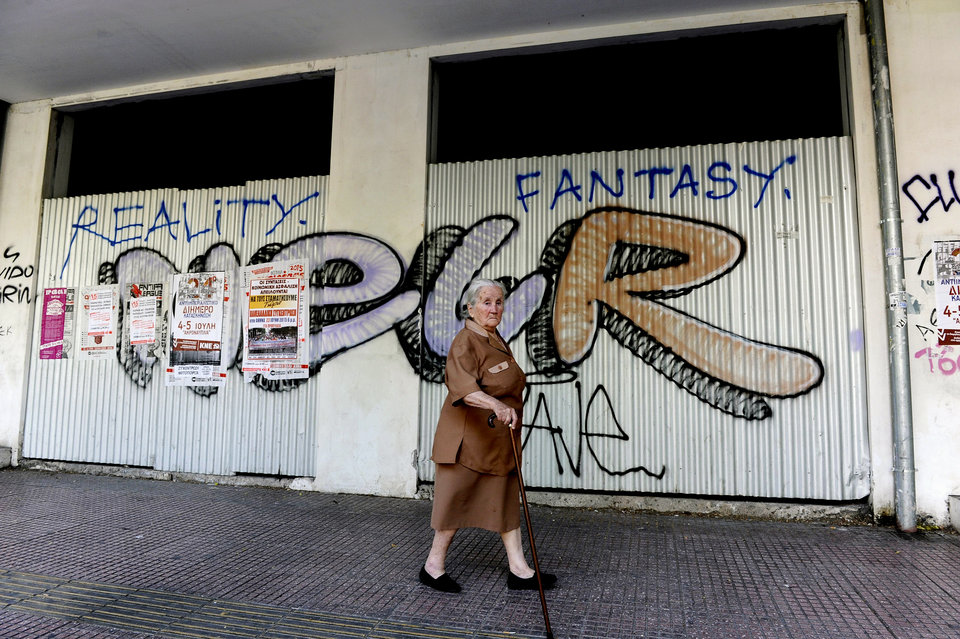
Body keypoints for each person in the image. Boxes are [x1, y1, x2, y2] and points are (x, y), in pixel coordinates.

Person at [419, 278, 557, 594]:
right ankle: (433, 566)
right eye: (486, 302)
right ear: (470, 308)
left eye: (498, 302)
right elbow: (463, 388)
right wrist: (497, 404)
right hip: (467, 443)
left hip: (496, 442)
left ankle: (519, 569)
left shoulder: (494, 339)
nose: (494, 308)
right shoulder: (465, 342)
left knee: (505, 501)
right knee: (455, 503)